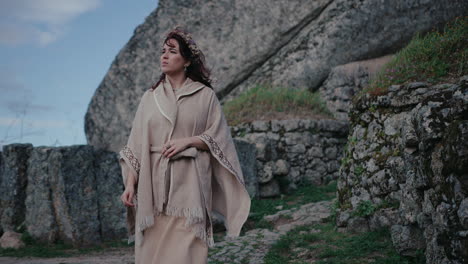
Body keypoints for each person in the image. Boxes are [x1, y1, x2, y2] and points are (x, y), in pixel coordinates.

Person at [118, 25, 251, 264]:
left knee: (186, 255)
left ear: (187, 60)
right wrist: (130, 184)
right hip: (153, 192)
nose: (164, 56)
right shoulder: (150, 97)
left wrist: (189, 141)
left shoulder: (205, 96)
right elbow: (135, 145)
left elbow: (219, 137)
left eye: (172, 51)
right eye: (162, 51)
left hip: (190, 190)